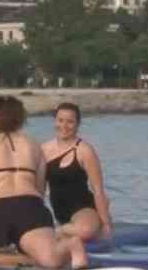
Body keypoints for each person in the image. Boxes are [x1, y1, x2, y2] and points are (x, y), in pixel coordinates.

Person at [0, 96, 86, 270]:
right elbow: (40, 190)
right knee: (51, 261)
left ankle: (7, 258)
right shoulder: (34, 145)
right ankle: (69, 245)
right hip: (31, 209)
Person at [40, 102, 113, 244]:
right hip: (60, 212)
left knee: (85, 230)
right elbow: (39, 189)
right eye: (60, 120)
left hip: (83, 208)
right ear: (55, 121)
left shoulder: (85, 151)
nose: (64, 126)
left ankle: (60, 231)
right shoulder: (43, 150)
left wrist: (106, 225)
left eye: (70, 122)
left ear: (78, 124)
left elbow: (98, 190)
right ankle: (61, 229)